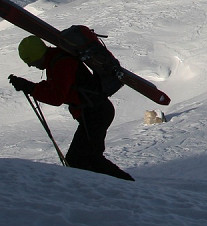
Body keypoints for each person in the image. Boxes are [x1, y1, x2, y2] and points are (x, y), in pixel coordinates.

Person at [8, 35, 134, 181]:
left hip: (95, 112)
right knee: (85, 159)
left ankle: (127, 188)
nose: (31, 66)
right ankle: (119, 188)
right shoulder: (56, 60)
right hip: (95, 111)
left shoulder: (61, 63)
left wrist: (30, 87)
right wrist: (29, 86)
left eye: (31, 61)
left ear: (37, 55)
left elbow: (56, 97)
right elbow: (58, 89)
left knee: (81, 159)